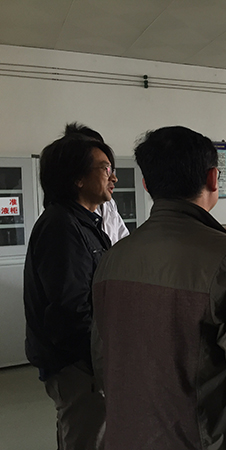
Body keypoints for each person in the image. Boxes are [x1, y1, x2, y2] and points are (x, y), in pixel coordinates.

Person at [91, 126, 226, 450]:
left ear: (146, 184)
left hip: (129, 435)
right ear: (213, 178)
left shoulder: (113, 258)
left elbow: (103, 359)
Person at [23, 133, 116, 449]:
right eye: (104, 168)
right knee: (87, 437)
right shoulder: (62, 226)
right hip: (77, 365)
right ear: (77, 178)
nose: (113, 177)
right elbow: (71, 308)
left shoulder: (85, 222)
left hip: (82, 360)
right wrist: (98, 363)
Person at [63, 122, 130, 244]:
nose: (114, 178)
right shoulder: (63, 220)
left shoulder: (109, 204)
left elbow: (123, 241)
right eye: (105, 169)